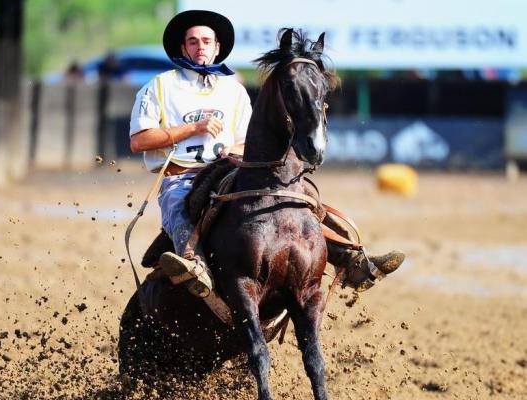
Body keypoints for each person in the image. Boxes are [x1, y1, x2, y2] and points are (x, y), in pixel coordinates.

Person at [129, 10, 404, 298]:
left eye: (207, 42)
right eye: (194, 41)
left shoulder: (232, 90)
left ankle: (352, 259)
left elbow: (246, 141)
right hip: (182, 176)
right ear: (183, 47)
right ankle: (192, 264)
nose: (201, 48)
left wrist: (232, 150)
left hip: (228, 171)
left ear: (217, 47)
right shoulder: (159, 87)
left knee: (299, 202)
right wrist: (194, 128)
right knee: (177, 207)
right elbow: (139, 141)